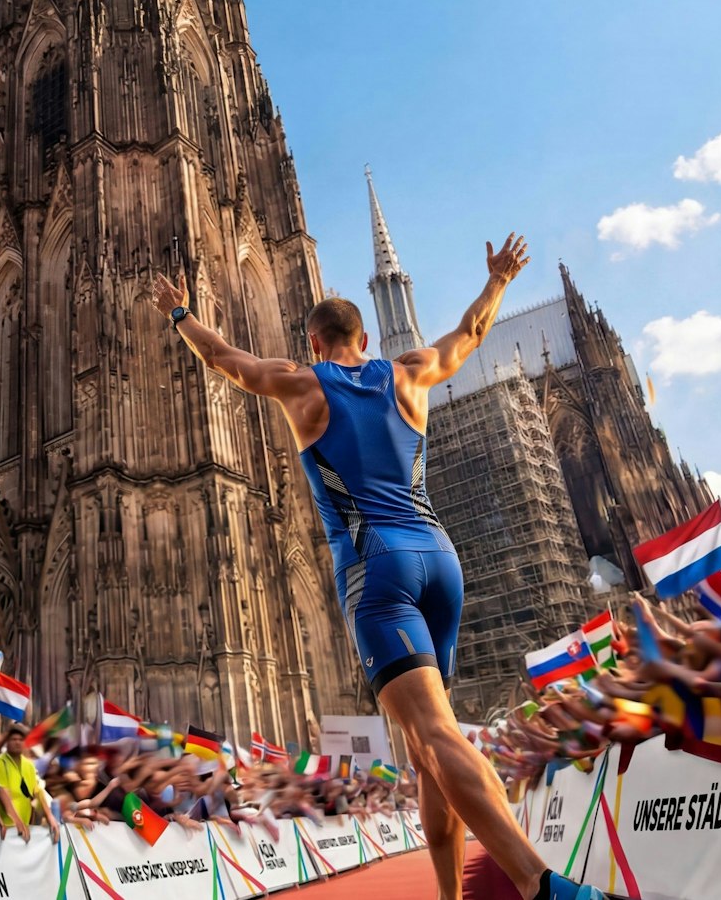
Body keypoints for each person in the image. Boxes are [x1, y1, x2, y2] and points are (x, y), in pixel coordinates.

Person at [151, 238, 615, 900]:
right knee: (427, 751)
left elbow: (228, 361)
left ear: (314, 343)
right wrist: (498, 282)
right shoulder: (410, 372)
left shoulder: (304, 383)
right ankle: (451, 895)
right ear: (364, 338)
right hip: (439, 559)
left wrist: (181, 314)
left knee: (434, 735)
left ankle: (541, 883)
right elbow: (471, 333)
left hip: (377, 571)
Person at [0, 724, 47, 841]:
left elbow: (36, 793)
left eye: (21, 740)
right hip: (6, 827)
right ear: (7, 742)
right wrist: (18, 822)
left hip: (26, 826)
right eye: (14, 739)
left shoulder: (29, 765)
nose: (17, 742)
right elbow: (2, 793)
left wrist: (49, 816)